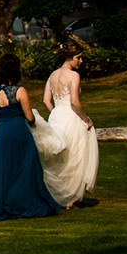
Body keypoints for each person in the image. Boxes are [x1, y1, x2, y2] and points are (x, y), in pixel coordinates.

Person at [0, 53, 59, 221]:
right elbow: (29, 117)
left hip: (2, 132)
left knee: (2, 169)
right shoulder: (20, 91)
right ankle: (26, 203)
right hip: (18, 131)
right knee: (26, 166)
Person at [40, 44, 98, 208]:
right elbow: (74, 102)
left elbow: (46, 100)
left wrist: (55, 113)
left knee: (61, 158)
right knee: (75, 155)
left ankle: (62, 195)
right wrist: (86, 119)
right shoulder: (73, 75)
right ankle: (71, 197)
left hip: (57, 116)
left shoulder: (52, 75)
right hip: (71, 116)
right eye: (78, 57)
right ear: (69, 57)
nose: (81, 60)